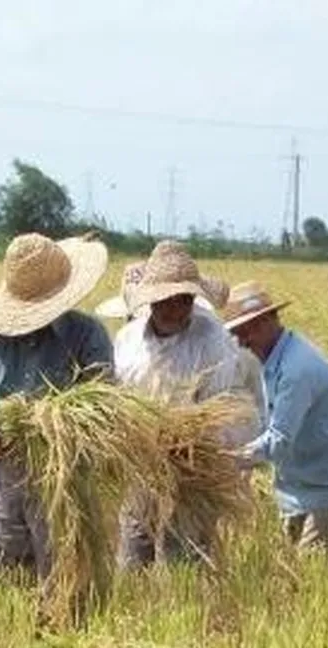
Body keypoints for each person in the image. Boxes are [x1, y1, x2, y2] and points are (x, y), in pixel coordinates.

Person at [0, 232, 114, 584]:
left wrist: (52, 427)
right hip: (7, 476)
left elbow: (101, 402)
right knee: (6, 578)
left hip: (65, 479)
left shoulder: (87, 336)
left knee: (66, 580)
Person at [111, 240, 257, 568]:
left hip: (193, 469)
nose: (175, 309)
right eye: (166, 300)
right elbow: (118, 398)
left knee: (183, 561)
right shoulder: (128, 341)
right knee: (134, 556)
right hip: (141, 466)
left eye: (184, 300)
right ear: (151, 299)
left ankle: (185, 599)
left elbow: (221, 409)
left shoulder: (213, 340)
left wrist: (186, 441)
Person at [221, 281, 328, 559]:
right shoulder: (271, 358)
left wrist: (224, 460)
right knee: (298, 566)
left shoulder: (295, 369)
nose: (242, 341)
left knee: (317, 571)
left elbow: (278, 440)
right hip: (299, 485)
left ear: (270, 320)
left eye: (248, 330)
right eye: (237, 333)